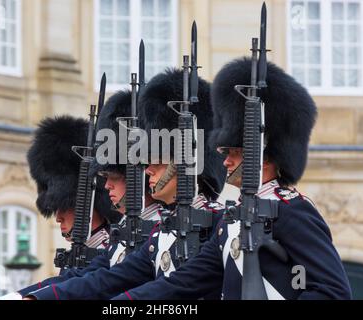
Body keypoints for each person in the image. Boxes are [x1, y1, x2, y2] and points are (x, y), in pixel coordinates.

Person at [111, 58, 352, 300]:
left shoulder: (291, 211)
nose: (226, 161)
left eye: (235, 153)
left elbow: (333, 291)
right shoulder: (231, 220)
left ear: (265, 156)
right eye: (227, 153)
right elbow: (186, 281)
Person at [22, 68, 226, 300]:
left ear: (185, 161)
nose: (147, 169)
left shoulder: (218, 222)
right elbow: (104, 279)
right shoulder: (159, 234)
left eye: (156, 162)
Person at [0, 115, 120, 299]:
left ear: (86, 201)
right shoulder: (79, 252)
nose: (57, 217)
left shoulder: (112, 247)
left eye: (64, 205)